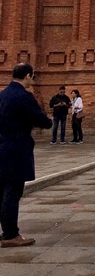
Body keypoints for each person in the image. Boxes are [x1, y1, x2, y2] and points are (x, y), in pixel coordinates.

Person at [0, 62, 52, 246]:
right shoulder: (23, 96)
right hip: (16, 149)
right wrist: (48, 122)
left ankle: (6, 231)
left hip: (2, 147)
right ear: (28, 75)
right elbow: (41, 120)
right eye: (33, 77)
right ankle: (10, 235)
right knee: (13, 192)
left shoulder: (2, 95)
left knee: (3, 191)